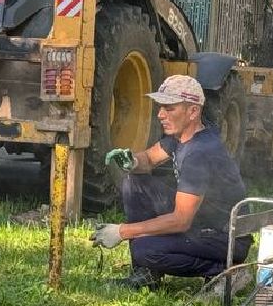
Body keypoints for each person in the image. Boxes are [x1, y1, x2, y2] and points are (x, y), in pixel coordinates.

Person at [91, 74, 250, 287]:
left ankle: (225, 271)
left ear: (193, 111)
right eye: (161, 107)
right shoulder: (184, 135)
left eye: (169, 108)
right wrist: (133, 161)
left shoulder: (199, 153)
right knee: (135, 182)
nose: (160, 114)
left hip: (225, 237)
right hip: (203, 220)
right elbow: (149, 159)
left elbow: (181, 220)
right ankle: (146, 274)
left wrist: (121, 232)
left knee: (145, 250)